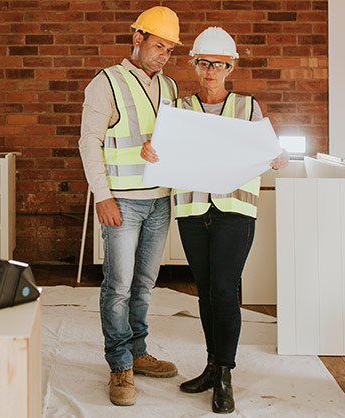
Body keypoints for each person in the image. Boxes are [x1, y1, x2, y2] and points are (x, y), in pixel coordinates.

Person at [140, 27, 289, 414]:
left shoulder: (247, 107)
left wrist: (279, 157)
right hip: (192, 212)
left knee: (224, 291)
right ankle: (211, 366)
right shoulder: (179, 108)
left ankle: (224, 375)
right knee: (205, 291)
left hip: (234, 213)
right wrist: (150, 151)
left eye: (219, 64)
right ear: (195, 64)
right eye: (204, 63)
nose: (211, 71)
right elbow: (162, 149)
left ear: (230, 66)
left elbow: (271, 152)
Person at [78, 6, 182, 407]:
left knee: (143, 285)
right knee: (118, 287)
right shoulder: (107, 83)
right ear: (137, 39)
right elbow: (90, 142)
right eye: (159, 46)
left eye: (170, 50)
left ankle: (138, 353)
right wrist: (102, 195)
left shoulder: (170, 86)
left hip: (159, 201)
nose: (164, 56)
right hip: (121, 201)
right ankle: (119, 364)